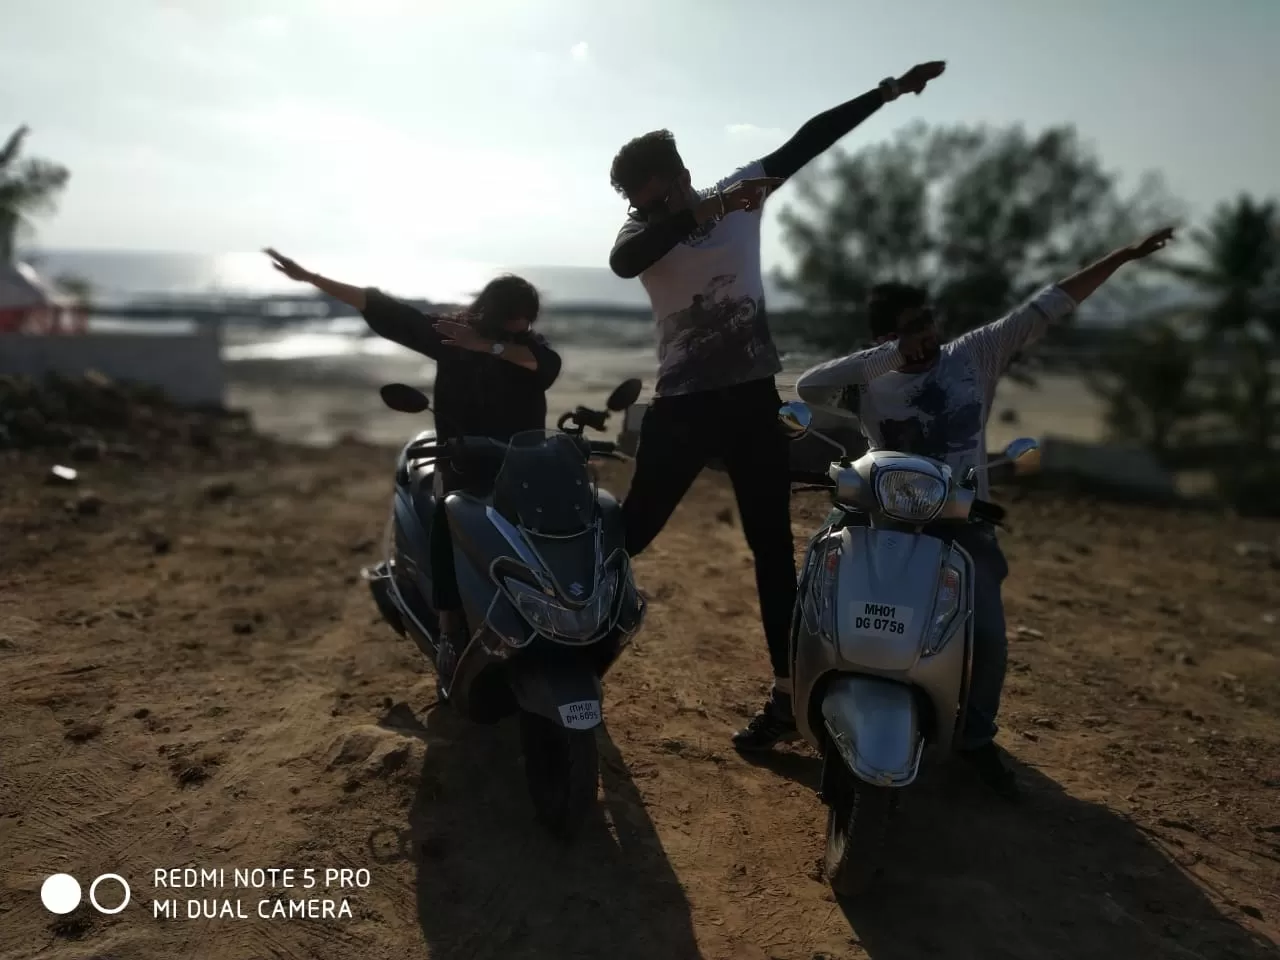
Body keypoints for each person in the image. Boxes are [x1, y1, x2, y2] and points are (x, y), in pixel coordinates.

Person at [607, 62, 948, 752]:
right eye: (640, 205)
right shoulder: (642, 232)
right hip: (682, 406)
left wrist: (884, 92)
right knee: (630, 535)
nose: (647, 211)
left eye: (654, 197)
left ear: (678, 174)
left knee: (770, 549)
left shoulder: (743, 194)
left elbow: (808, 139)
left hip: (750, 401)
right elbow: (625, 260)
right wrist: (696, 214)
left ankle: (789, 700)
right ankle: (560, 627)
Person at [794, 226, 1177, 798]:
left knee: (990, 637)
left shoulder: (975, 353)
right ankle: (791, 701)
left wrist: (1121, 257)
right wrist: (887, 357)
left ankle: (974, 737)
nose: (923, 342)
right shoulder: (869, 379)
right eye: (906, 333)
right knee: (813, 591)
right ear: (883, 338)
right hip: (880, 513)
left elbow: (1046, 305)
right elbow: (809, 386)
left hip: (957, 518)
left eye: (925, 325)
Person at [263, 249, 562, 677]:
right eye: (512, 321)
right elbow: (379, 304)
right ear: (493, 313)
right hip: (461, 461)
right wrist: (312, 277)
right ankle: (447, 627)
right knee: (447, 521)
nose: (521, 330)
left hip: (516, 462)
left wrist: (490, 346)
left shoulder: (526, 348)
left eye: (526, 323)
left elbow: (545, 366)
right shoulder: (451, 336)